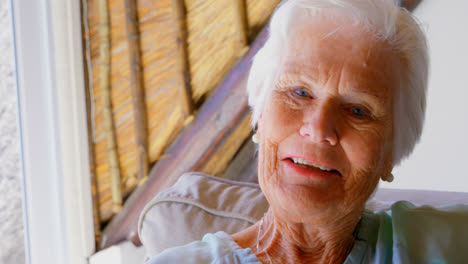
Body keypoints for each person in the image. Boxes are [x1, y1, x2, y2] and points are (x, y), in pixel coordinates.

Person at [146, 0, 468, 263]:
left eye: (358, 110)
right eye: (299, 92)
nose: (318, 129)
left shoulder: (446, 244)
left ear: (391, 153)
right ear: (260, 116)